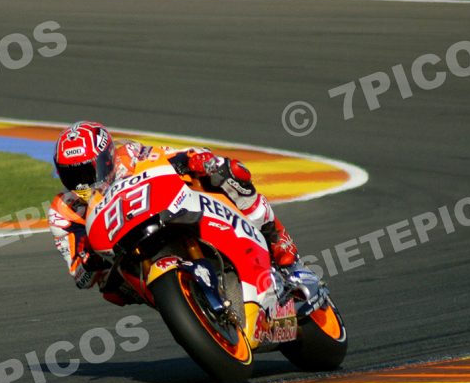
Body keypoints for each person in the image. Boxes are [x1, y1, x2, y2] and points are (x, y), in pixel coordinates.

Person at [48, 120, 305, 303]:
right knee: (111, 291)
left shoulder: (129, 156)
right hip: (125, 256)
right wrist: (89, 263)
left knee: (229, 172)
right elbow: (80, 277)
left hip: (166, 214)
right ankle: (184, 303)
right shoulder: (63, 210)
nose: (81, 183)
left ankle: (287, 257)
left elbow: (173, 156)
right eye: (72, 175)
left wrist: (196, 160)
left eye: (86, 172)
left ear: (106, 159)